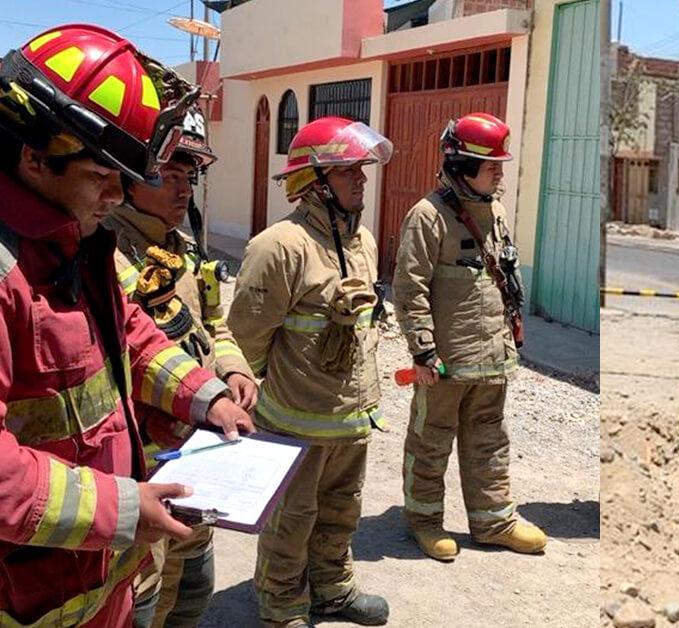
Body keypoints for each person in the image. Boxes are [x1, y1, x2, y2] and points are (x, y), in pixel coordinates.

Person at [0, 23, 253, 626]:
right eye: (102, 174)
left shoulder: (76, 239)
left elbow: (130, 333)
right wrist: (121, 508)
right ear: (36, 153)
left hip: (100, 583)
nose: (118, 195)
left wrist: (205, 395)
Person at [228, 116, 392, 627]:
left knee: (342, 511)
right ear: (314, 184)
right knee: (292, 520)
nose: (361, 180)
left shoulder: (361, 239)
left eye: (361, 170)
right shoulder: (278, 246)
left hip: (351, 420)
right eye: (347, 172)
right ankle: (282, 605)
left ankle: (333, 591)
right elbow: (244, 339)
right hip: (295, 423)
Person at [105, 106, 258, 628]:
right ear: (128, 178)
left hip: (202, 452)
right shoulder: (107, 256)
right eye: (169, 175)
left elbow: (214, 322)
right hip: (145, 467)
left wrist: (234, 370)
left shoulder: (182, 250)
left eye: (189, 177)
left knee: (193, 593)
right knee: (144, 599)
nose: (183, 189)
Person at [392, 112, 545, 561]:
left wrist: (509, 339)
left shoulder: (494, 210)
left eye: (501, 164)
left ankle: (493, 522)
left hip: (491, 360)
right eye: (492, 165)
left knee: (489, 440)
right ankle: (423, 521)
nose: (500, 172)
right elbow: (409, 288)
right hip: (445, 363)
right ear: (461, 166)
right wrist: (422, 350)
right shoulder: (427, 217)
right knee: (430, 440)